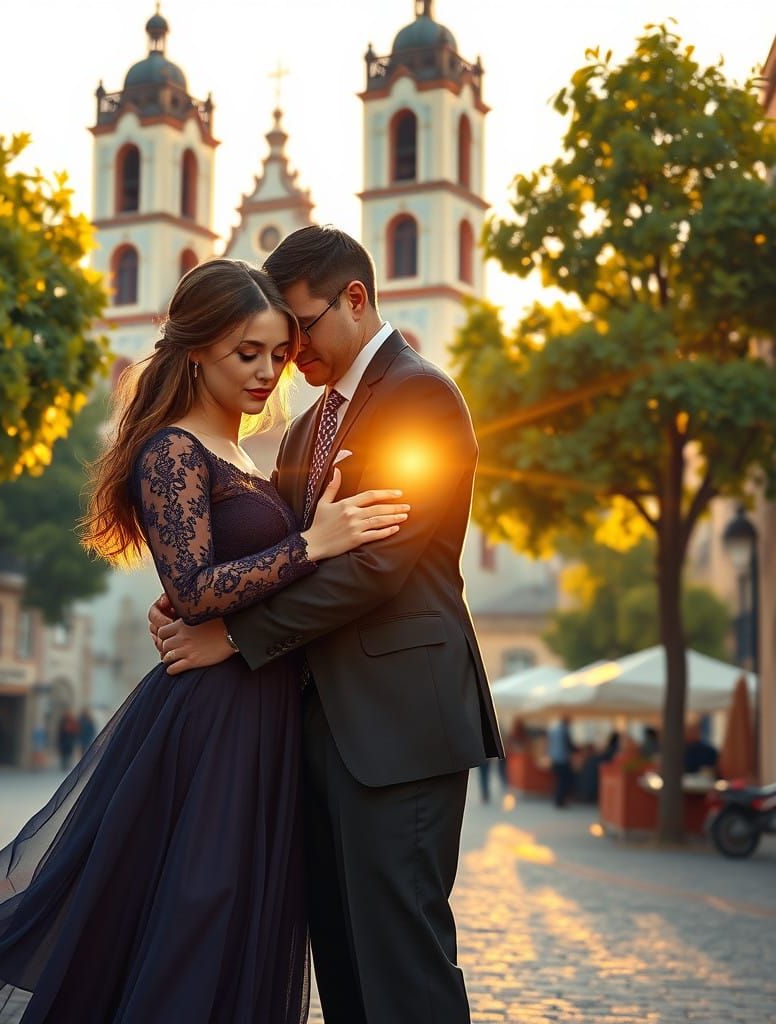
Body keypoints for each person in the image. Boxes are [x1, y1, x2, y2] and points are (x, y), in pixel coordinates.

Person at [0, 259, 408, 1023]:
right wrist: (310, 546)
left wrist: (296, 544)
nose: (266, 372)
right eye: (245, 353)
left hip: (261, 711)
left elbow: (219, 582)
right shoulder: (171, 451)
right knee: (200, 916)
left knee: (238, 923)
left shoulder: (245, 456)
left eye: (277, 354)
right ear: (197, 352)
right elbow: (195, 589)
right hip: (212, 719)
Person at [150, 226, 503, 1024]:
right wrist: (188, 597)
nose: (287, 354)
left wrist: (233, 638)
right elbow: (277, 552)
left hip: (398, 724)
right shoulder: (311, 427)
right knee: (343, 966)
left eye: (301, 327)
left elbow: (376, 566)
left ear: (355, 298)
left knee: (401, 964)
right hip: (317, 731)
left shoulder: (420, 394)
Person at [547, 715, 576, 808]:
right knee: (564, 780)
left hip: (554, 758)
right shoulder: (564, 731)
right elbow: (569, 745)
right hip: (562, 758)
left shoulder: (554, 730)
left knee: (560, 780)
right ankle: (560, 800)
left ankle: (559, 799)